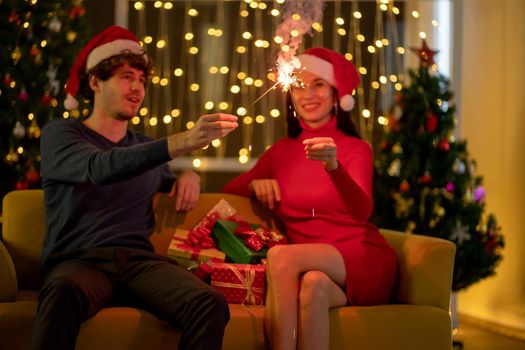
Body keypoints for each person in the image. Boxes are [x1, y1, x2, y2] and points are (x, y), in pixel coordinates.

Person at [32, 26, 238, 350]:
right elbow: (101, 167)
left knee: (208, 303)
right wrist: (182, 142)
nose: (138, 88)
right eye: (127, 76)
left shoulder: (143, 147)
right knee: (62, 291)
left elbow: (156, 170)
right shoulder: (62, 134)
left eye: (142, 80)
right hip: (81, 262)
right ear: (95, 82)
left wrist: (188, 176)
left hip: (138, 263)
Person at [223, 47, 397, 350]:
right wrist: (255, 185)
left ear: (336, 95)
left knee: (280, 257)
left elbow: (361, 212)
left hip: (361, 257)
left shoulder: (356, 148)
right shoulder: (281, 152)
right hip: (311, 267)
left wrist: (334, 167)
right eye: (300, 85)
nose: (308, 94)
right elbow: (230, 190)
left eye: (318, 84)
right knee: (313, 286)